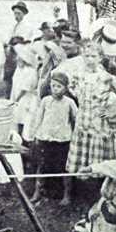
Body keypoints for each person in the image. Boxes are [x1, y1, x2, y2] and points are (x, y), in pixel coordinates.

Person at [63, 40, 116, 205]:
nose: (89, 59)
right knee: (81, 158)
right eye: (86, 56)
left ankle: (98, 197)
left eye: (93, 56)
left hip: (99, 124)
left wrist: (108, 111)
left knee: (99, 158)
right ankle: (79, 195)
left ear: (100, 57)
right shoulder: (78, 75)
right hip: (83, 121)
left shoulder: (107, 78)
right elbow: (73, 89)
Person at [29, 72, 77, 204]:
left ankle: (66, 195)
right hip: (46, 139)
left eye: (59, 86)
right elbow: (39, 118)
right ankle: (37, 191)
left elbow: (76, 120)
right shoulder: (46, 101)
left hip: (63, 140)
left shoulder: (69, 103)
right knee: (42, 166)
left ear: (66, 88)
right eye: (53, 86)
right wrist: (35, 134)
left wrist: (73, 135)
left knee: (64, 168)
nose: (55, 89)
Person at [10, 44, 38, 141]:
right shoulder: (18, 70)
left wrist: (16, 99)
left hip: (25, 98)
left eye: (19, 59)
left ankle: (24, 140)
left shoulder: (31, 71)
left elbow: (25, 88)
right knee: (16, 119)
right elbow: (15, 84)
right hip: (16, 97)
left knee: (24, 120)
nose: (17, 60)